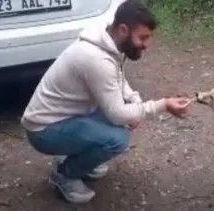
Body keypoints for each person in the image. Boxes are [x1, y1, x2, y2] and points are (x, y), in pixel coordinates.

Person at [20, 0, 192, 204]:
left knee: (122, 119)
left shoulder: (105, 40)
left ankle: (78, 157)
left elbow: (116, 77)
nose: (147, 46)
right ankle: (65, 175)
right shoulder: (95, 58)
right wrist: (162, 105)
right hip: (44, 131)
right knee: (117, 138)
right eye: (143, 37)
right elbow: (117, 114)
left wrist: (133, 100)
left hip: (64, 116)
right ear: (123, 29)